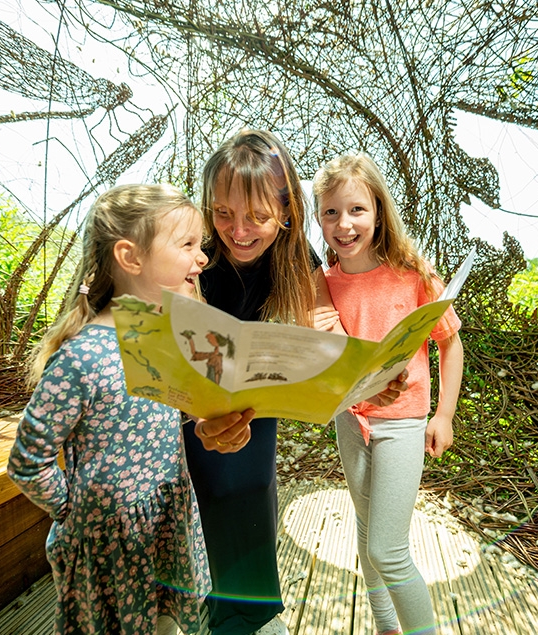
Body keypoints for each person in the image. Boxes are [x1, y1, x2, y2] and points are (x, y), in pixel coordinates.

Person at [7, 183, 254, 635]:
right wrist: (77, 511)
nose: (202, 258)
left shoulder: (166, 339)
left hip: (165, 520)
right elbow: (27, 460)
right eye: (186, 245)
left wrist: (217, 421)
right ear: (130, 256)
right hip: (108, 541)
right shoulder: (83, 357)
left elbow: (176, 414)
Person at [186, 130, 407, 635]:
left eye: (257, 217)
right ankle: (202, 611)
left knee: (250, 492)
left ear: (286, 211)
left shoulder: (296, 257)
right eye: (223, 213)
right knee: (200, 504)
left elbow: (327, 330)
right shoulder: (194, 252)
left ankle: (253, 615)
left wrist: (364, 378)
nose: (238, 231)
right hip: (191, 402)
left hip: (253, 408)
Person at [313, 154, 464, 635]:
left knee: (387, 548)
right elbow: (329, 356)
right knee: (365, 526)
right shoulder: (324, 282)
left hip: (402, 421)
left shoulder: (412, 272)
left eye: (356, 210)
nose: (344, 224)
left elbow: (449, 341)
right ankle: (385, 626)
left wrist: (444, 415)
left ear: (378, 210)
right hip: (349, 419)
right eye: (330, 212)